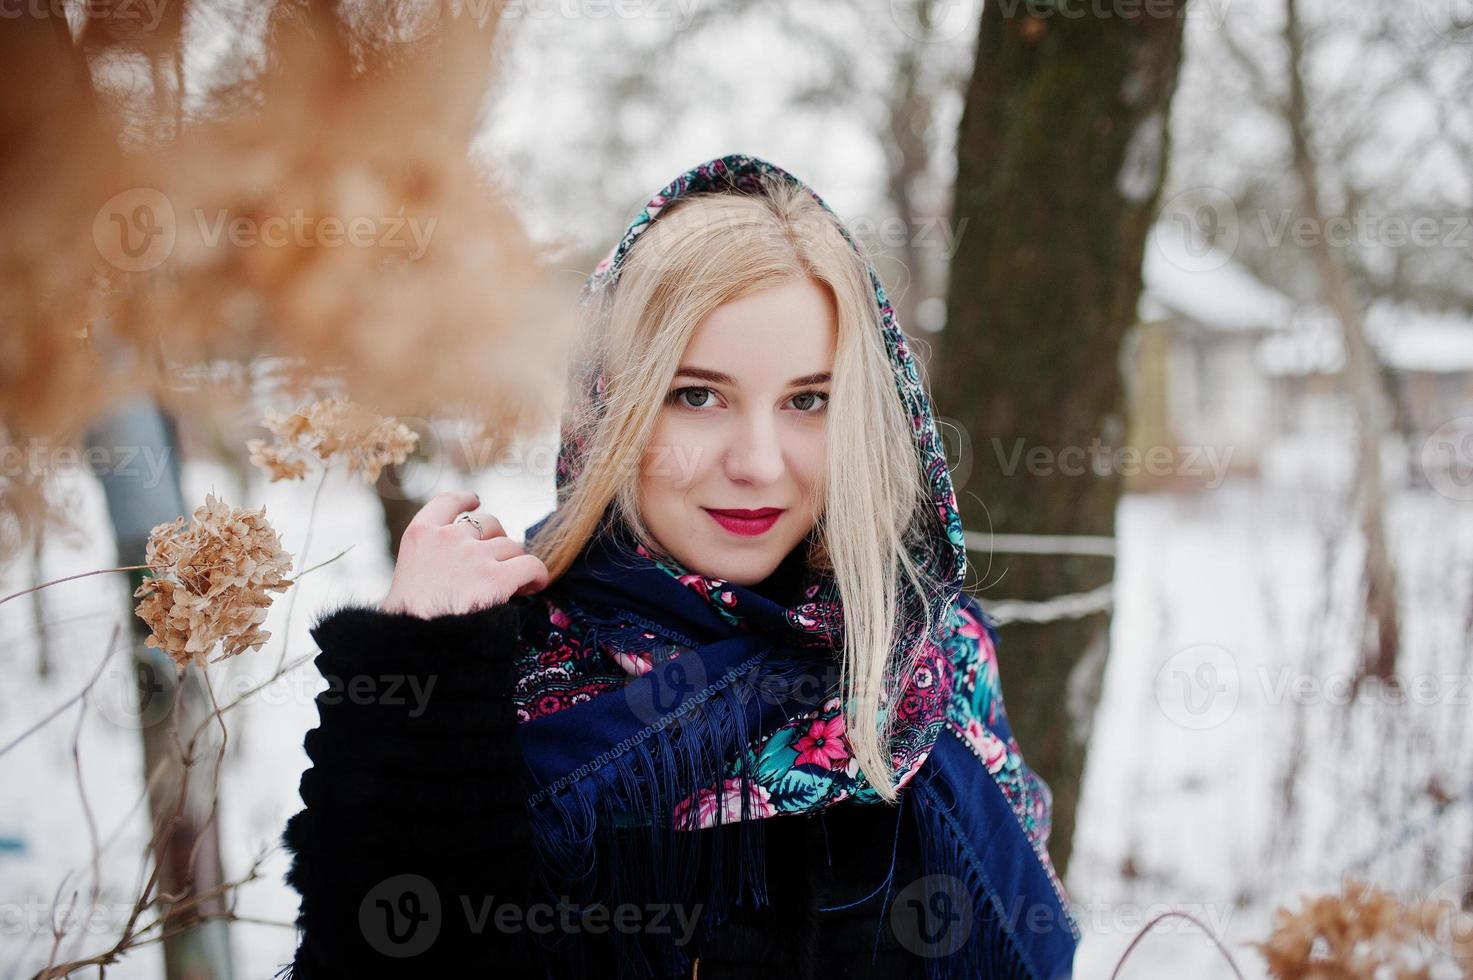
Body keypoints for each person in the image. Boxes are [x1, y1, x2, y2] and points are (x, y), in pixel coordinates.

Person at [278, 154, 1080, 980]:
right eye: (697, 395)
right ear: (610, 401)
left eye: (808, 400)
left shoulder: (925, 653)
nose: (759, 464)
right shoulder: (496, 663)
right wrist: (420, 664)